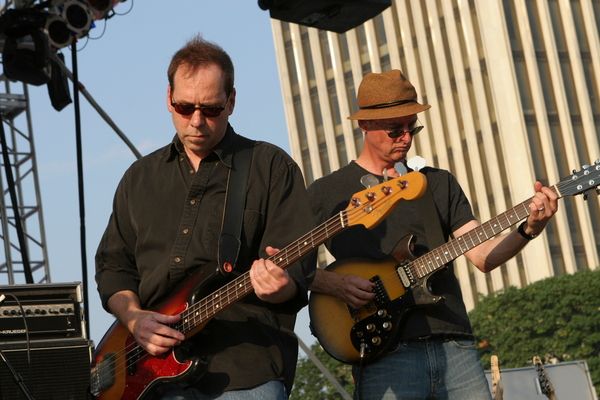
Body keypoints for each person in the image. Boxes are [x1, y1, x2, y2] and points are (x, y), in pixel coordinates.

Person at [307, 69, 559, 400]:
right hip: (384, 354)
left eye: (412, 128)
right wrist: (334, 284)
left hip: (456, 348)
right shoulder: (327, 193)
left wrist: (530, 229)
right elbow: (285, 264)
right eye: (395, 130)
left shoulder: (438, 182)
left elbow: (483, 256)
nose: (406, 138)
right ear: (364, 125)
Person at [95, 35, 316, 399]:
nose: (197, 121)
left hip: (245, 370)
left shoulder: (270, 167)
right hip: (150, 373)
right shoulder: (139, 178)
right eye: (185, 108)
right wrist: (134, 318)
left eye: (211, 109)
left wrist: (281, 286)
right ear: (168, 98)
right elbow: (113, 267)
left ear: (232, 101)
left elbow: (296, 271)